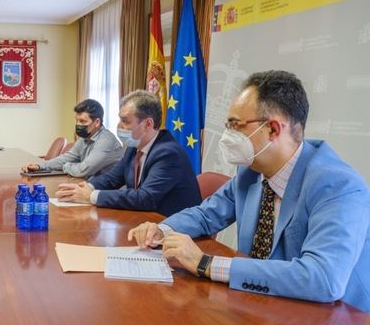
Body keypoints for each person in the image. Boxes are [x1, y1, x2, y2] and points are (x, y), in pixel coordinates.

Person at [128, 70, 370, 311]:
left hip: (334, 322)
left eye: (235, 126)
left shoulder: (337, 185)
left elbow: (322, 279)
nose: (227, 135)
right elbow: (206, 215)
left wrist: (206, 263)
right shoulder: (250, 172)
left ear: (273, 129)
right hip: (263, 306)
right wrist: (162, 230)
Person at [55, 90, 201, 216]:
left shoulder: (168, 153)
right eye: (119, 119)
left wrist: (92, 196)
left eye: (125, 121)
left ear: (147, 124)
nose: (119, 125)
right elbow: (113, 178)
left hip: (173, 230)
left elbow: (145, 197)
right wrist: (87, 187)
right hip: (143, 222)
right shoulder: (134, 147)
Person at [20, 99, 123, 178]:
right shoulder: (85, 137)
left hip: (109, 192)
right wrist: (40, 166)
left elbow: (83, 170)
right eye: (77, 120)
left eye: (82, 121)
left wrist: (66, 166)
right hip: (90, 184)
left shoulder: (106, 141)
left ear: (97, 122)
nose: (78, 125)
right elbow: (66, 158)